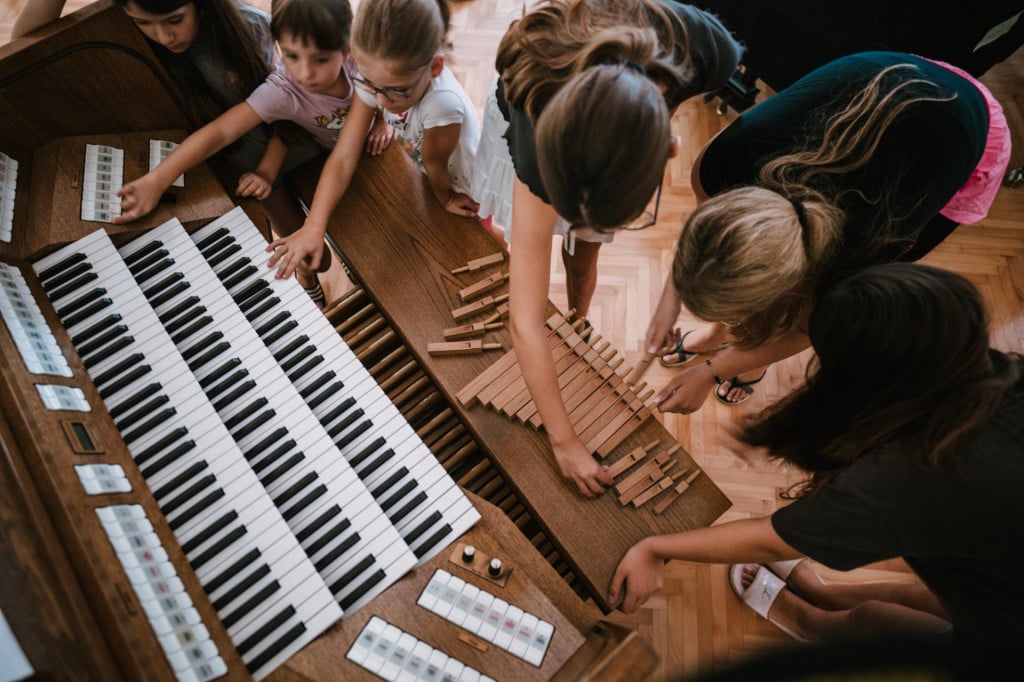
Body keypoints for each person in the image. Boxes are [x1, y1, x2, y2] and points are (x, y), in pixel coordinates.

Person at [609, 263, 1024, 668]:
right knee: (934, 598)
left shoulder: (910, 476)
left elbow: (774, 540)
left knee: (874, 623)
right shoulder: (994, 374)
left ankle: (808, 617)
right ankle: (825, 593)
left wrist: (654, 546)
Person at [471, 0, 743, 497]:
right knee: (530, 258)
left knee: (584, 256)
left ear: (671, 147)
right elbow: (525, 320)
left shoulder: (709, 51)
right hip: (540, 112)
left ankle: (579, 319)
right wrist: (563, 442)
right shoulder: (536, 142)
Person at [647, 51, 1011, 410]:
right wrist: (668, 306)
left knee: (795, 309)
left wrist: (711, 373)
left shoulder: (863, 254)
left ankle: (756, 361)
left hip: (963, 129)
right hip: (884, 80)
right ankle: (720, 335)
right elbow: (701, 240)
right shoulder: (718, 168)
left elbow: (809, 326)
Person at [113, 0, 380, 304]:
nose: (304, 73)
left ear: (346, 49)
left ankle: (340, 263)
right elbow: (221, 132)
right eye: (291, 56)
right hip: (305, 154)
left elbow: (347, 147)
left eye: (319, 59)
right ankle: (309, 277)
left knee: (356, 240)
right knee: (315, 260)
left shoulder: (362, 60)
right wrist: (158, 179)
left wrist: (383, 120)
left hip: (336, 152)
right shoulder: (283, 88)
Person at [349, 0, 483, 222]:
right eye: (371, 84)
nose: (382, 100)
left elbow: (435, 163)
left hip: (460, 185)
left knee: (481, 232)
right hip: (430, 171)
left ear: (435, 67)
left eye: (399, 90)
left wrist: (447, 199)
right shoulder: (380, 75)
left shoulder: (442, 105)